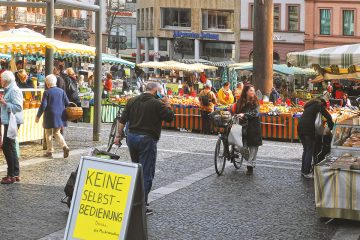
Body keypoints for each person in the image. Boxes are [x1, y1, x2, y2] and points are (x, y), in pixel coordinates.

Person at [114, 82, 174, 214]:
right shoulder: (157, 104)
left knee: (136, 169)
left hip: (132, 138)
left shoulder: (132, 100)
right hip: (147, 139)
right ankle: (141, 205)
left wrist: (118, 136)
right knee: (146, 172)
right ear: (155, 91)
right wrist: (167, 103)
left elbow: (123, 120)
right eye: (159, 91)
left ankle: (134, 200)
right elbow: (170, 117)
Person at [298, 98, 334, 179]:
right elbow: (328, 116)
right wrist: (331, 126)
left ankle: (303, 170)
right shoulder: (318, 105)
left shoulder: (309, 106)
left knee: (306, 150)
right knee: (310, 150)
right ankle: (307, 172)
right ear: (322, 103)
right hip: (308, 129)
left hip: (300, 127)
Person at [36, 74, 70, 159]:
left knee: (48, 133)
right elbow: (67, 103)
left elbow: (43, 105)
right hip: (60, 115)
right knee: (57, 132)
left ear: (47, 83)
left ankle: (50, 151)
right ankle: (65, 146)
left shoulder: (47, 92)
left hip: (49, 115)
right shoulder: (61, 91)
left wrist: (38, 116)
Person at [0, 71, 24, 184]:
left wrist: (5, 103)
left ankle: (11, 175)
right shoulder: (9, 89)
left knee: (6, 146)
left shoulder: (14, 90)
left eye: (1, 79)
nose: (0, 81)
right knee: (11, 146)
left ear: (6, 80)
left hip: (12, 121)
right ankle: (15, 173)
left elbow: (18, 107)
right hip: (10, 121)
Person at [233, 85, 262, 174]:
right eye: (251, 90)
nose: (253, 92)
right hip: (242, 126)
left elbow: (255, 113)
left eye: (253, 90)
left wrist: (245, 115)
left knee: (253, 147)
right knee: (241, 147)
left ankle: (250, 165)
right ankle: (250, 161)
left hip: (253, 126)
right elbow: (236, 110)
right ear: (246, 91)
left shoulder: (256, 102)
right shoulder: (240, 101)